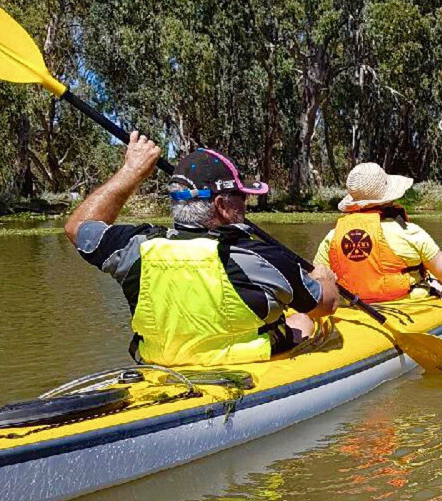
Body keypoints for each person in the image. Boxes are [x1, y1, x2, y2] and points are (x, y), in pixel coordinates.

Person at [64, 132, 338, 367]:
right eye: (241, 197)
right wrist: (323, 278)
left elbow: (77, 227)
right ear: (221, 205)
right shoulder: (260, 257)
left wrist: (131, 172)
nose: (245, 205)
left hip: (161, 367)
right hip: (248, 366)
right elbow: (327, 304)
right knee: (303, 318)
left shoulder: (134, 248)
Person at [312, 162, 442, 303]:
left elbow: (316, 280)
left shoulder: (333, 237)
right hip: (407, 307)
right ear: (389, 199)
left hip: (355, 308)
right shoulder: (410, 233)